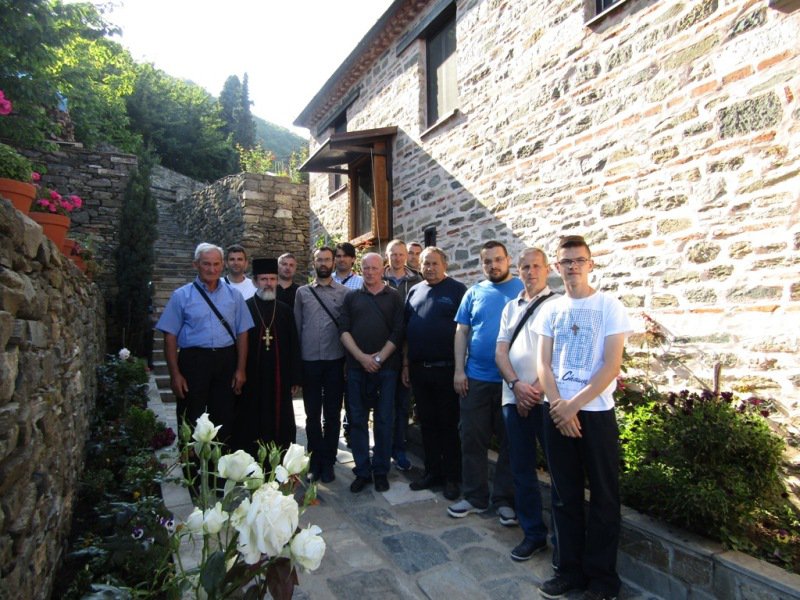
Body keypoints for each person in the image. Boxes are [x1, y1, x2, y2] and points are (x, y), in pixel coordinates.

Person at [534, 235, 632, 600]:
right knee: (564, 496)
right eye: (566, 261)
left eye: (579, 260)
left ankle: (603, 581)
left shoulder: (609, 306)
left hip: (595, 414)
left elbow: (611, 365)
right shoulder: (551, 309)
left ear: (590, 264)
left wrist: (572, 405)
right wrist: (559, 405)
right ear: (557, 267)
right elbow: (543, 364)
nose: (572, 267)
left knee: (604, 497)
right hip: (557, 412)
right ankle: (569, 571)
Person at [448, 240, 523, 526]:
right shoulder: (474, 292)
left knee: (510, 443)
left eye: (498, 259)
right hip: (476, 379)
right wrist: (459, 370)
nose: (493, 265)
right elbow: (461, 331)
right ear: (482, 264)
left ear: (508, 260)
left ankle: (504, 501)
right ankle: (475, 497)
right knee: (472, 439)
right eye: (487, 261)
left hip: (511, 382)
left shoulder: (522, 290)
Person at [495, 248, 559, 562]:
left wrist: (533, 391)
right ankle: (533, 534)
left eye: (536, 266)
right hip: (513, 398)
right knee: (521, 470)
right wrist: (516, 386)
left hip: (547, 401)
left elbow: (559, 356)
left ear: (547, 270)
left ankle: (562, 539)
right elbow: (500, 353)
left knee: (559, 471)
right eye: (525, 267)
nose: (530, 272)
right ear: (518, 271)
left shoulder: (558, 305)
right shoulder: (510, 307)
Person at [156, 243, 252, 448]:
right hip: (193, 362)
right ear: (196, 265)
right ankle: (191, 466)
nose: (212, 269)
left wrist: (241, 369)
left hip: (226, 360)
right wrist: (175, 374)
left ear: (222, 265)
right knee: (191, 416)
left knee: (224, 417)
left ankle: (221, 465)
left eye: (216, 264)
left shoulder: (234, 296)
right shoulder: (181, 296)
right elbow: (169, 336)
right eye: (206, 264)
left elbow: (242, 333)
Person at [403, 247, 466, 500]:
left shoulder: (457, 290)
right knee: (427, 425)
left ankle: (452, 478)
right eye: (425, 263)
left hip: (447, 370)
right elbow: (406, 330)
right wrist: (406, 365)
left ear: (444, 265)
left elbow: (465, 330)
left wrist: (461, 369)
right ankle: (432, 472)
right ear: (419, 266)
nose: (429, 268)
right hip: (420, 370)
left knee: (448, 426)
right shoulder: (414, 291)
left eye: (434, 263)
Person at [339, 253, 404, 494]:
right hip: (357, 369)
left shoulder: (394, 297)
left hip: (387, 369)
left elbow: (398, 332)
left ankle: (381, 470)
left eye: (374, 268)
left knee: (384, 420)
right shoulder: (351, 297)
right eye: (365, 268)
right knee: (357, 420)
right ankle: (362, 471)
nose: (369, 272)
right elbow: (343, 331)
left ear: (382, 269)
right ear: (361, 269)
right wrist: (362, 358)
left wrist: (378, 358)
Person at [294, 246, 350, 483]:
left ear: (334, 262)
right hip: (310, 361)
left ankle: (329, 461)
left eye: (328, 259)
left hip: (335, 360)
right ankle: (314, 459)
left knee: (333, 414)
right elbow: (297, 328)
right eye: (320, 259)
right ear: (314, 262)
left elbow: (348, 328)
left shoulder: (345, 293)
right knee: (312, 414)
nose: (324, 263)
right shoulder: (302, 293)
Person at [236, 258, 302, 455]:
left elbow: (294, 344)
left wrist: (295, 377)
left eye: (272, 279)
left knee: (280, 415)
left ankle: (279, 456)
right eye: (264, 279)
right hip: (252, 374)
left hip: (279, 375)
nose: (269, 283)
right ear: (255, 281)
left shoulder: (284, 310)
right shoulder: (245, 308)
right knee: (251, 414)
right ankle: (251, 456)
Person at [383, 239, 422, 471]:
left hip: (406, 351)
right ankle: (383, 448)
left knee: (402, 404)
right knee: (383, 405)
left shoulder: (418, 281)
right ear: (386, 255)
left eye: (401, 254)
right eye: (393, 254)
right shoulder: (377, 277)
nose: (397, 258)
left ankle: (399, 450)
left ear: (406, 256)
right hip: (381, 350)